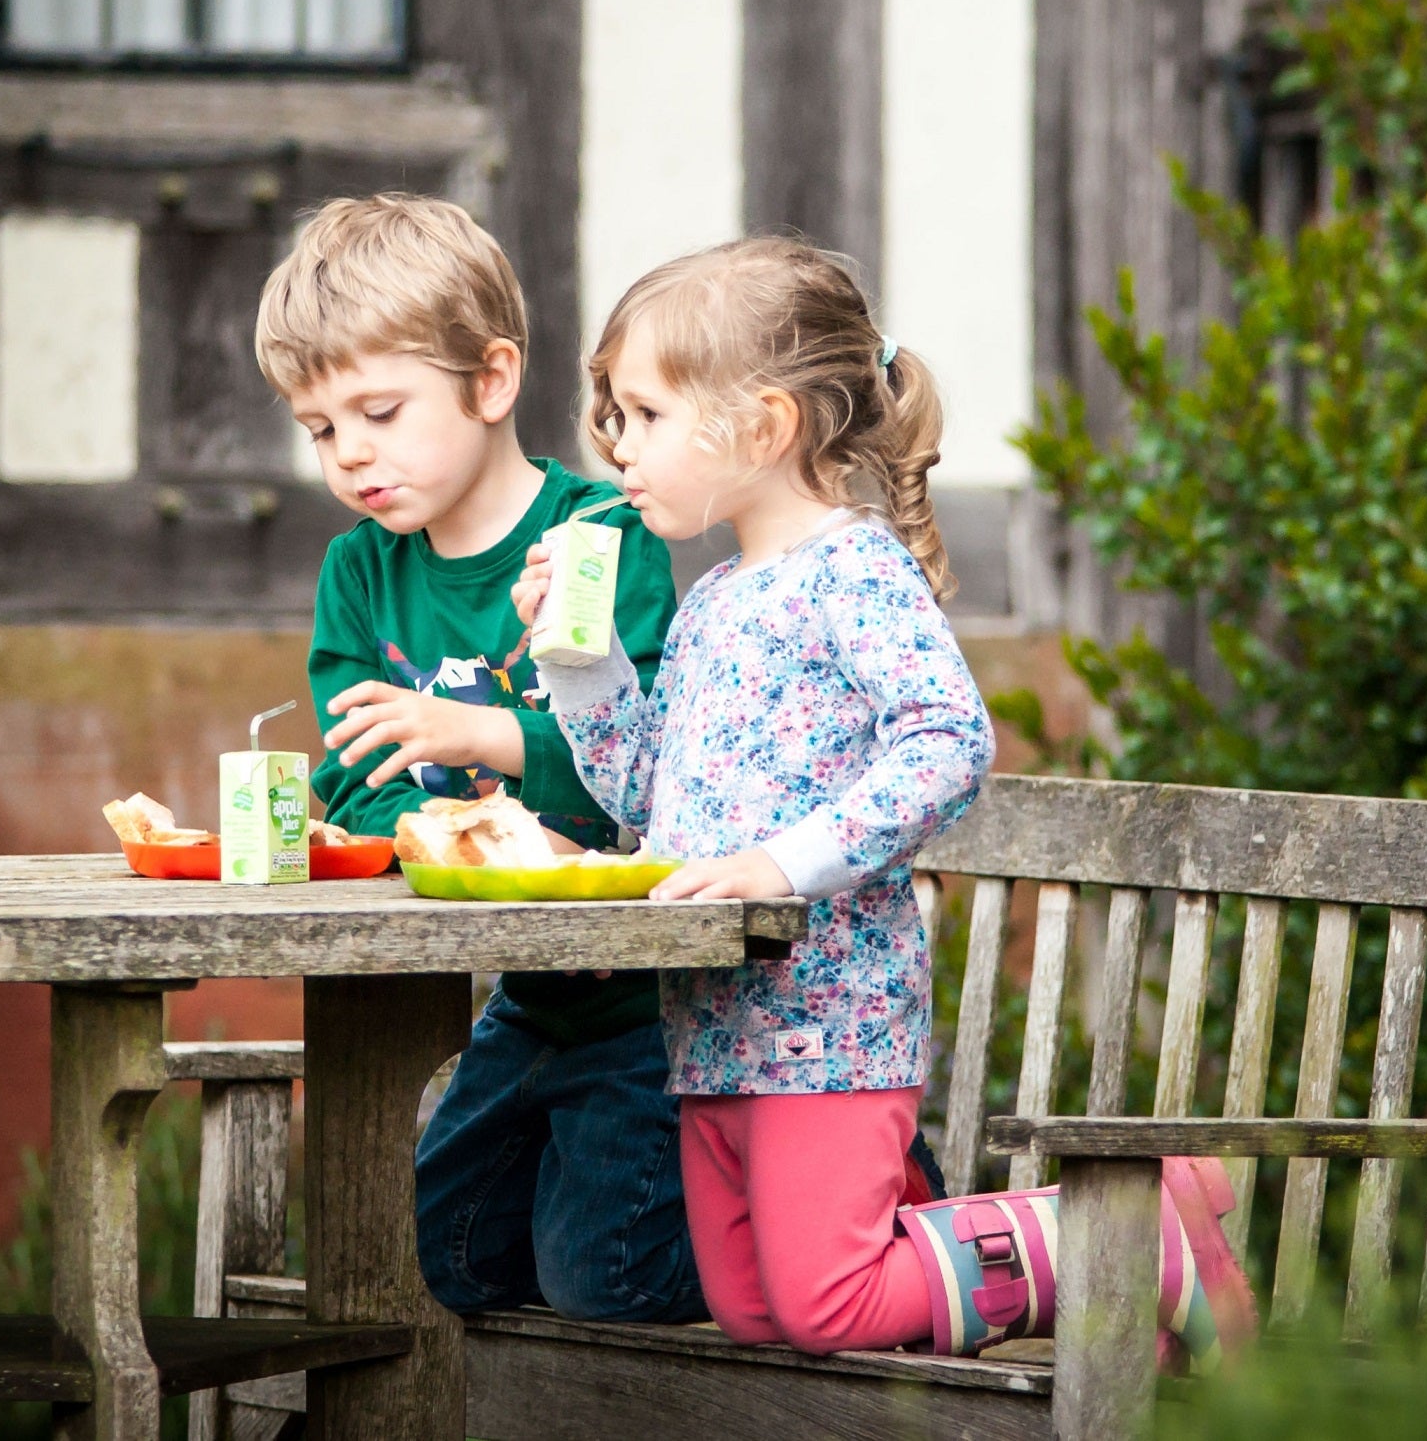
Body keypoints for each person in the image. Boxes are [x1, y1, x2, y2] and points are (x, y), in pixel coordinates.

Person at [515, 237, 1250, 1361]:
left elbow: (949, 741)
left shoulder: (853, 570)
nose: (616, 446)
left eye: (646, 415)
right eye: (615, 415)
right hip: (713, 1028)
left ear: (761, 427)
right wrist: (581, 666)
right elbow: (647, 794)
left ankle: (1129, 1229)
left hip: (828, 1020)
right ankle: (1112, 1297)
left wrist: (782, 862)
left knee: (827, 1305)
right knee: (761, 1310)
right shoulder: (713, 601)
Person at [253, 193, 704, 1323]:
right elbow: (353, 779)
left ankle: (811, 1221)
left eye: (380, 410)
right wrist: (423, 814)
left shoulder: (600, 537)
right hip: (526, 1002)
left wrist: (477, 740)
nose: (351, 452)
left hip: (648, 1000)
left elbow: (634, 776)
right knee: (439, 1256)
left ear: (492, 381)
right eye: (319, 428)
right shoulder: (360, 574)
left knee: (601, 1278)